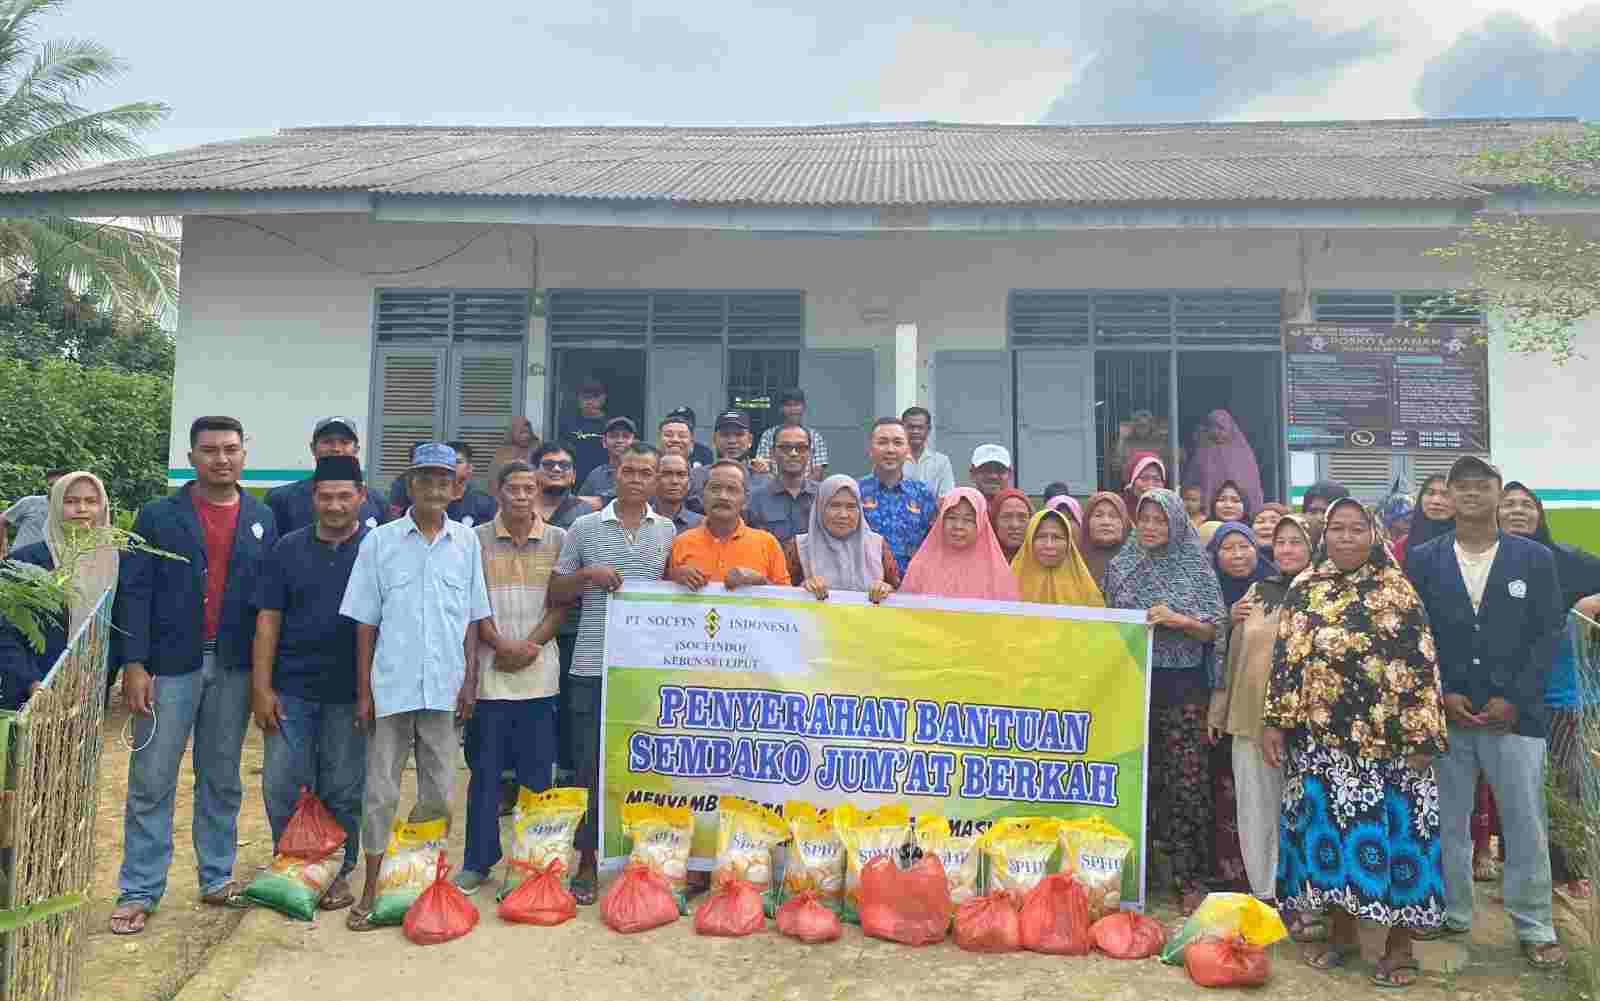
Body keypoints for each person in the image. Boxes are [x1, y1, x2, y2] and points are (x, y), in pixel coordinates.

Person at [1262, 497, 1448, 987]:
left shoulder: (1398, 590)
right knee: (1332, 840)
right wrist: (1275, 722)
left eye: (1356, 529)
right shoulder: (1306, 588)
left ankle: (1401, 946)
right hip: (1324, 745)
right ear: (1324, 535)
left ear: (1374, 533)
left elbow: (1423, 665)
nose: (1346, 538)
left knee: (1400, 839)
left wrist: (1424, 734)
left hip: (1392, 746)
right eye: (1337, 529)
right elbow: (1287, 661)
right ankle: (1343, 934)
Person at [110, 417, 279, 936]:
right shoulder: (158, 516)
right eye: (210, 450)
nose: (221, 459)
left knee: (222, 778)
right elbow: (133, 593)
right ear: (191, 457)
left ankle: (216, 877)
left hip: (231, 667)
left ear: (244, 455)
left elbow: (268, 606)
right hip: (168, 667)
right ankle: (139, 889)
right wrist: (134, 664)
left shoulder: (261, 517)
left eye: (230, 449)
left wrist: (261, 678)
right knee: (152, 781)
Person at [1406, 456, 1566, 969]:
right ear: (1448, 497)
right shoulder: (1424, 558)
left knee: (1524, 823)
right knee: (1447, 822)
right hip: (1446, 716)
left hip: (1515, 719)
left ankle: (1535, 925)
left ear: (1500, 494)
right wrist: (1442, 693)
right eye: (1462, 486)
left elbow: (1547, 636)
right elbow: (1415, 636)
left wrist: (1514, 698)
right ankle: (1453, 912)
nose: (1472, 494)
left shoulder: (1534, 559)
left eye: (1483, 485)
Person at [339, 442, 492, 931]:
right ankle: (371, 886)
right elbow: (365, 623)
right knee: (380, 789)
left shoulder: (467, 543)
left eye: (442, 480)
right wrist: (365, 692)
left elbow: (471, 618)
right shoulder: (380, 541)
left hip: (445, 688)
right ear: (409, 485)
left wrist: (469, 680)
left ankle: (423, 883)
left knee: (440, 791)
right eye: (424, 479)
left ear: (456, 488)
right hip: (392, 685)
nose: (433, 488)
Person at [551, 443, 676, 904]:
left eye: (647, 472)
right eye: (630, 470)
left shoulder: (667, 529)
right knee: (587, 768)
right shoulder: (584, 526)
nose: (638, 478)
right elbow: (556, 590)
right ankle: (586, 864)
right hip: (589, 664)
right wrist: (587, 575)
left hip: (643, 669)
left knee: (640, 769)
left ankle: (640, 862)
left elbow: (672, 587)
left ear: (657, 478)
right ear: (614, 474)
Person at [251, 455, 370, 913]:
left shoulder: (377, 548)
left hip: (351, 692)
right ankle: (294, 868)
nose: (335, 505)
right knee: (282, 782)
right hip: (291, 689)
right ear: (312, 498)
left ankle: (338, 871)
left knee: (343, 786)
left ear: (361, 495)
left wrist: (370, 693)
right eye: (326, 496)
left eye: (345, 495)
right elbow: (267, 619)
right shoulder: (287, 548)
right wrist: (261, 687)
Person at [1102, 488, 1225, 913]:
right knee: (1139, 780)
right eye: (1146, 519)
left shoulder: (1195, 566)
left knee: (1186, 784)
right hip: (1134, 686)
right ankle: (1143, 874)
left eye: (1161, 520)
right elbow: (1108, 625)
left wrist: (1179, 620)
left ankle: (1189, 878)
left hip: (1184, 690)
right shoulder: (1121, 567)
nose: (1152, 528)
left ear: (1175, 523)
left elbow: (1215, 630)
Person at [455, 460, 570, 893]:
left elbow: (560, 604)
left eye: (529, 489)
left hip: (540, 677)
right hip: (490, 676)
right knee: (484, 775)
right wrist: (499, 643)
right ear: (498, 492)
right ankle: (478, 861)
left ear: (538, 493)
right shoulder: (476, 539)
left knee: (538, 777)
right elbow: (472, 601)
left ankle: (533, 862)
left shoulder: (559, 539)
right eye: (514, 489)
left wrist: (531, 646)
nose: (522, 496)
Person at [1208, 515, 1318, 911]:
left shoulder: (1325, 591)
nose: (1287, 550)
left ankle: (1305, 898)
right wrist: (1219, 711)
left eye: (1297, 542)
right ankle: (1264, 894)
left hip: (1307, 726)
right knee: (1255, 808)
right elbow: (1233, 652)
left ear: (1313, 547)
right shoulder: (1257, 592)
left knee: (1302, 809)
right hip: (1250, 717)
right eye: (1281, 542)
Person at [1500, 481, 1600, 897]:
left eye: (1528, 504)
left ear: (1540, 514)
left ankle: (1568, 869)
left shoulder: (1568, 560)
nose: (1519, 510)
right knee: (1513, 786)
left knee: (1565, 782)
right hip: (1503, 696)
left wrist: (1586, 606)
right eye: (1509, 504)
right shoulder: (1482, 561)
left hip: (1559, 694)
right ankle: (1519, 870)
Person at [0, 471, 118, 709]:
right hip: (34, 693)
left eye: (91, 501)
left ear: (103, 507)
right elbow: (5, 630)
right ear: (54, 506)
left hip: (89, 690)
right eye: (71, 501)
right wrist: (32, 682)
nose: (81, 509)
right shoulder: (25, 562)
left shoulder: (115, 560)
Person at [1204, 522, 1276, 893]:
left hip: (1264, 711)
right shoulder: (1207, 586)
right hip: (1221, 705)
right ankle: (1232, 875)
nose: (1236, 554)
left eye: (1243, 546)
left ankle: (1270, 879)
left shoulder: (1275, 587)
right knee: (1228, 793)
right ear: (1214, 555)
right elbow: (1208, 644)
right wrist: (1225, 621)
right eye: (1227, 548)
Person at [530, 442, 596, 786]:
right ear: (534, 471)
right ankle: (524, 781)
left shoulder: (587, 515)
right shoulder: (519, 508)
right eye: (548, 464)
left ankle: (569, 779)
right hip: (524, 624)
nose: (556, 470)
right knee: (530, 708)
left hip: (571, 626)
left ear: (573, 475)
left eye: (563, 465)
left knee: (569, 707)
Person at [667, 461, 788, 592]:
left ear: (746, 500)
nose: (723, 496)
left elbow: (789, 602)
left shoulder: (767, 544)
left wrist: (761, 581)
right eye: (715, 488)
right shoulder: (681, 542)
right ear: (702, 496)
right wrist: (675, 578)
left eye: (732, 490)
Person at [784, 475, 898, 602]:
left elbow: (900, 595)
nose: (843, 515)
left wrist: (886, 590)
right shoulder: (800, 547)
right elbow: (779, 597)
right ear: (820, 508)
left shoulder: (878, 546)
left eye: (851, 506)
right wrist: (802, 590)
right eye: (835, 505)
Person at [264, 417, 387, 535]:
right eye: (327, 441)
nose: (336, 449)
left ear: (356, 450)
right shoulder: (281, 499)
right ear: (313, 448)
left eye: (344, 442)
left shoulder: (377, 501)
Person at [900, 488, 1021, 601]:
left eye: (968, 520)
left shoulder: (997, 570)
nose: (958, 526)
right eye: (952, 517)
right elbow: (905, 613)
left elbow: (1008, 617)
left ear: (981, 523)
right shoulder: (920, 565)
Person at [858, 417, 937, 574]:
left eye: (897, 442)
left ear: (907, 449)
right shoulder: (855, 492)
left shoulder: (923, 494)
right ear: (870, 449)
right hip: (866, 587)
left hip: (911, 586)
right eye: (882, 442)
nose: (890, 450)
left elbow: (932, 545)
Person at [1010, 507, 1104, 607]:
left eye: (1057, 537)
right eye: (1041, 537)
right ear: (1029, 541)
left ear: (1069, 543)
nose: (1049, 545)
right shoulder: (1010, 582)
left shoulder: (1084, 586)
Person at [1184, 409, 1265, 515]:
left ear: (1230, 429)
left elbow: (1251, 489)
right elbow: (1193, 484)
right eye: (1212, 427)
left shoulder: (1243, 454)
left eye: (1221, 428)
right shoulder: (1203, 452)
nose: (1215, 432)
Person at [745, 424, 817, 544]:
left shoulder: (823, 497)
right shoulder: (754, 500)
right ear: (772, 453)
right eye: (785, 447)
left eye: (801, 447)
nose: (793, 453)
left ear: (810, 453)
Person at [688, 411, 770, 510]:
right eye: (725, 435)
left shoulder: (764, 480)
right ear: (714, 439)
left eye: (739, 434)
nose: (732, 441)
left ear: (750, 440)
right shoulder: (695, 477)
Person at [755, 388, 829, 479]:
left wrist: (799, 488)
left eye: (796, 405)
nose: (793, 409)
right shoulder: (768, 435)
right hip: (773, 490)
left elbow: (818, 472)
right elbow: (762, 468)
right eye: (788, 405)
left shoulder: (815, 436)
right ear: (781, 408)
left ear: (804, 407)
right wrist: (781, 488)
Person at [1, 467, 67, 557]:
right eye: (51, 485)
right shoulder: (30, 502)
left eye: (59, 485)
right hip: (18, 560)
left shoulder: (71, 510)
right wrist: (3, 547)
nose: (54, 488)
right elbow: (2, 520)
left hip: (50, 564)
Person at [1394, 474, 1454, 569]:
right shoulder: (1402, 545)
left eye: (1445, 494)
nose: (1436, 501)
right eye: (1430, 493)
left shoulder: (1469, 545)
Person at [559, 379, 611, 487]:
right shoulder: (567, 423)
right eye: (585, 397)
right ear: (578, 399)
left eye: (595, 396)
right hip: (572, 479)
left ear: (603, 398)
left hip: (602, 480)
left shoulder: (611, 425)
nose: (590, 401)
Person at [577, 417, 638, 503]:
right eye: (614, 436)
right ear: (604, 442)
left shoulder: (643, 473)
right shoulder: (595, 475)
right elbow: (580, 506)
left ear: (634, 442)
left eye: (626, 436)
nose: (620, 441)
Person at [1080, 492, 1131, 590]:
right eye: (1098, 515)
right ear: (1087, 522)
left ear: (1124, 523)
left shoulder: (1139, 566)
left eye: (1113, 516)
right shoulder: (1073, 563)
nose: (1106, 522)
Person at [901, 406, 955, 498]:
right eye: (911, 427)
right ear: (902, 428)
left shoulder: (941, 462)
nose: (915, 431)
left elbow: (946, 497)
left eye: (920, 427)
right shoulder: (893, 459)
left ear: (928, 429)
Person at [444, 441, 498, 528]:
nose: (452, 466)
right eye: (447, 461)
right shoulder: (431, 501)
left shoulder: (485, 504)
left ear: (469, 468)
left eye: (458, 462)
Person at [652, 452, 703, 534]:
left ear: (689, 483)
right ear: (654, 480)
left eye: (681, 474)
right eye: (667, 474)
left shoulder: (702, 525)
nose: (674, 481)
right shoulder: (638, 522)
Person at [489, 416, 541, 486]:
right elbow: (494, 478)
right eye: (521, 432)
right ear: (513, 432)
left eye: (528, 432)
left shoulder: (536, 449)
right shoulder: (503, 452)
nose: (525, 436)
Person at [989, 488, 1034, 564]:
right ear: (994, 522)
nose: (1015, 525)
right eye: (1006, 517)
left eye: (1022, 517)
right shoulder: (981, 561)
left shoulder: (1042, 559)